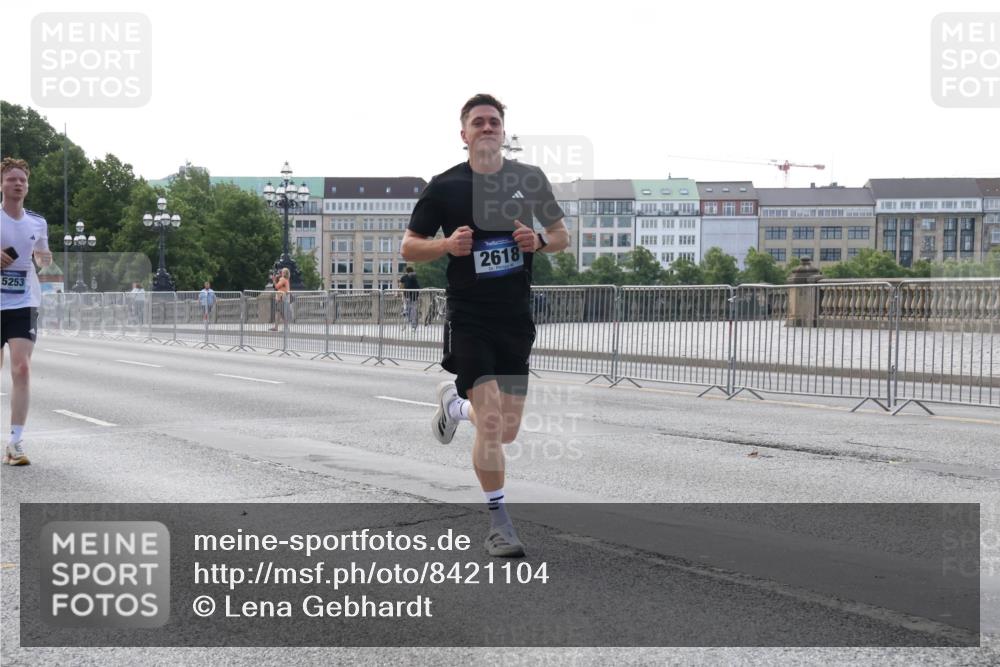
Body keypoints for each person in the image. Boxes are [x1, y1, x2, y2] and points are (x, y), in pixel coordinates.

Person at [401, 94, 569, 557]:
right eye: (478, 122)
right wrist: (446, 246)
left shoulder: (528, 179)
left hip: (514, 317)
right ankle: (499, 522)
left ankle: (455, 408)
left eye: (494, 121)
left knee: (505, 429)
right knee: (492, 421)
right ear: (464, 135)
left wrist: (537, 240)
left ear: (503, 131)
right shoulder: (445, 187)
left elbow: (561, 237)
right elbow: (409, 248)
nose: (488, 127)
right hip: (469, 315)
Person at [1, 158, 53, 466]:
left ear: (27, 186)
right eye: (11, 179)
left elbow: (43, 257)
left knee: (22, 369)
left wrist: (44, 258)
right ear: (1, 184)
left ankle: (15, 442)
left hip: (22, 301)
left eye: (22, 180)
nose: (18, 183)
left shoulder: (37, 222)